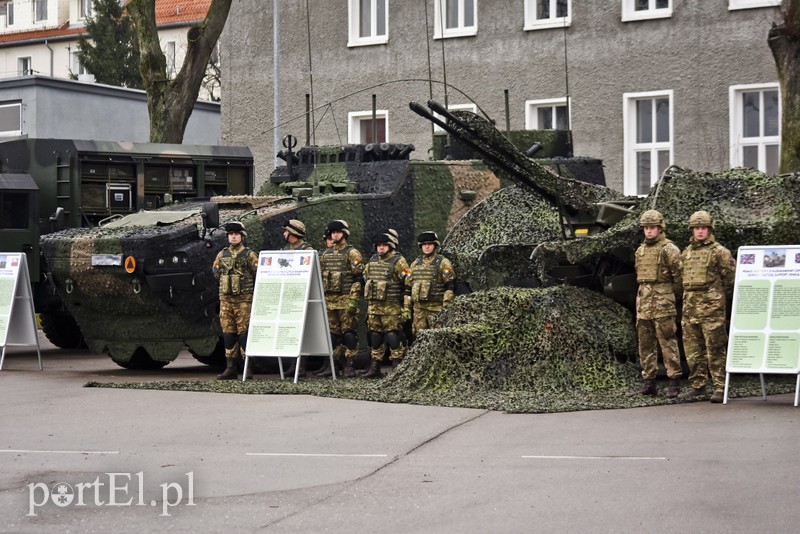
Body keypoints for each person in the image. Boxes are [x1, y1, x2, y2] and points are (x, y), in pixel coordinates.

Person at [677, 210, 735, 403]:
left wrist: (716, 299)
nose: (700, 232)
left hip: (712, 310)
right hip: (690, 309)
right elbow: (681, 279)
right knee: (693, 350)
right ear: (692, 230)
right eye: (696, 228)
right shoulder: (686, 253)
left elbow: (730, 280)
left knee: (715, 349)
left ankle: (720, 387)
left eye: (703, 228)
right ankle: (698, 386)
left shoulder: (720, 252)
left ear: (709, 229)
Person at [629, 210, 683, 398]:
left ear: (660, 228)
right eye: (646, 228)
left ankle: (674, 381)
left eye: (652, 228)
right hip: (644, 303)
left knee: (667, 341)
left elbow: (679, 278)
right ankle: (649, 381)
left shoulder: (669, 249)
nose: (649, 231)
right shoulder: (641, 250)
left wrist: (668, 296)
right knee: (645, 344)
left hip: (662, 302)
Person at [212, 221, 259, 380]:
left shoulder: (249, 254)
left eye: (236, 234)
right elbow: (216, 273)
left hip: (244, 301)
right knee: (228, 334)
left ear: (242, 236)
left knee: (244, 334)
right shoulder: (221, 254)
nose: (233, 236)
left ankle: (248, 367)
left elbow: (257, 273)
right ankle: (230, 367)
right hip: (226, 300)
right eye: (231, 234)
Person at [318, 220, 364, 377]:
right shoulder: (326, 254)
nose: (334, 235)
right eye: (332, 233)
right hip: (330, 302)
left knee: (349, 334)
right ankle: (334, 365)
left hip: (345, 300)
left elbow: (358, 279)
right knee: (332, 335)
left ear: (344, 234)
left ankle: (350, 365)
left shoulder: (352, 253)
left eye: (337, 232)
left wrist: (353, 299)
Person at [362, 231, 410, 377]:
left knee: (392, 335)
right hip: (374, 307)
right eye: (379, 245)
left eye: (384, 245)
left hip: (392, 307)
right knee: (375, 336)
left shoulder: (398, 261)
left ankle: (397, 368)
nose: (381, 248)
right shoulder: (372, 260)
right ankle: (375, 367)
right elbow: (365, 277)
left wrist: (406, 307)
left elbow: (408, 284)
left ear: (390, 246)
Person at [403, 231, 456, 336]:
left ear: (434, 245)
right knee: (419, 338)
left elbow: (450, 286)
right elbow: (408, 288)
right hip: (419, 311)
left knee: (438, 339)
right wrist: (406, 309)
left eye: (429, 244)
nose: (427, 247)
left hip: (436, 310)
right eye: (424, 245)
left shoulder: (443, 263)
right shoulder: (415, 264)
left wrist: (446, 307)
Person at [281, 219, 315, 377]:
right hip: (288, 295)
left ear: (294, 233)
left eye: (287, 231)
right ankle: (293, 365)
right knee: (291, 332)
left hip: (302, 296)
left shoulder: (307, 250)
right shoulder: (286, 249)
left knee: (302, 333)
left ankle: (301, 367)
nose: (284, 234)